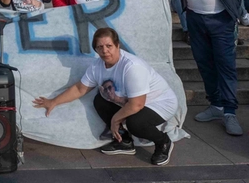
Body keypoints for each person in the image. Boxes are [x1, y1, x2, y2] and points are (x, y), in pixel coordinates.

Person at [32, 27, 175, 167]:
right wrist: (53, 101)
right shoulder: (97, 66)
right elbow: (80, 88)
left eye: (109, 46)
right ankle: (124, 141)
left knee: (135, 123)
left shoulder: (132, 67)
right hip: (132, 102)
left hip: (159, 103)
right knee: (100, 100)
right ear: (96, 49)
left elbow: (137, 104)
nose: (105, 51)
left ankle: (163, 142)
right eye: (100, 47)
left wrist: (115, 119)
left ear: (117, 46)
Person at [157, 0, 242, 136]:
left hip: (220, 18)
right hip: (195, 17)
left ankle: (230, 111)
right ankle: (215, 104)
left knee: (225, 64)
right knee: (204, 63)